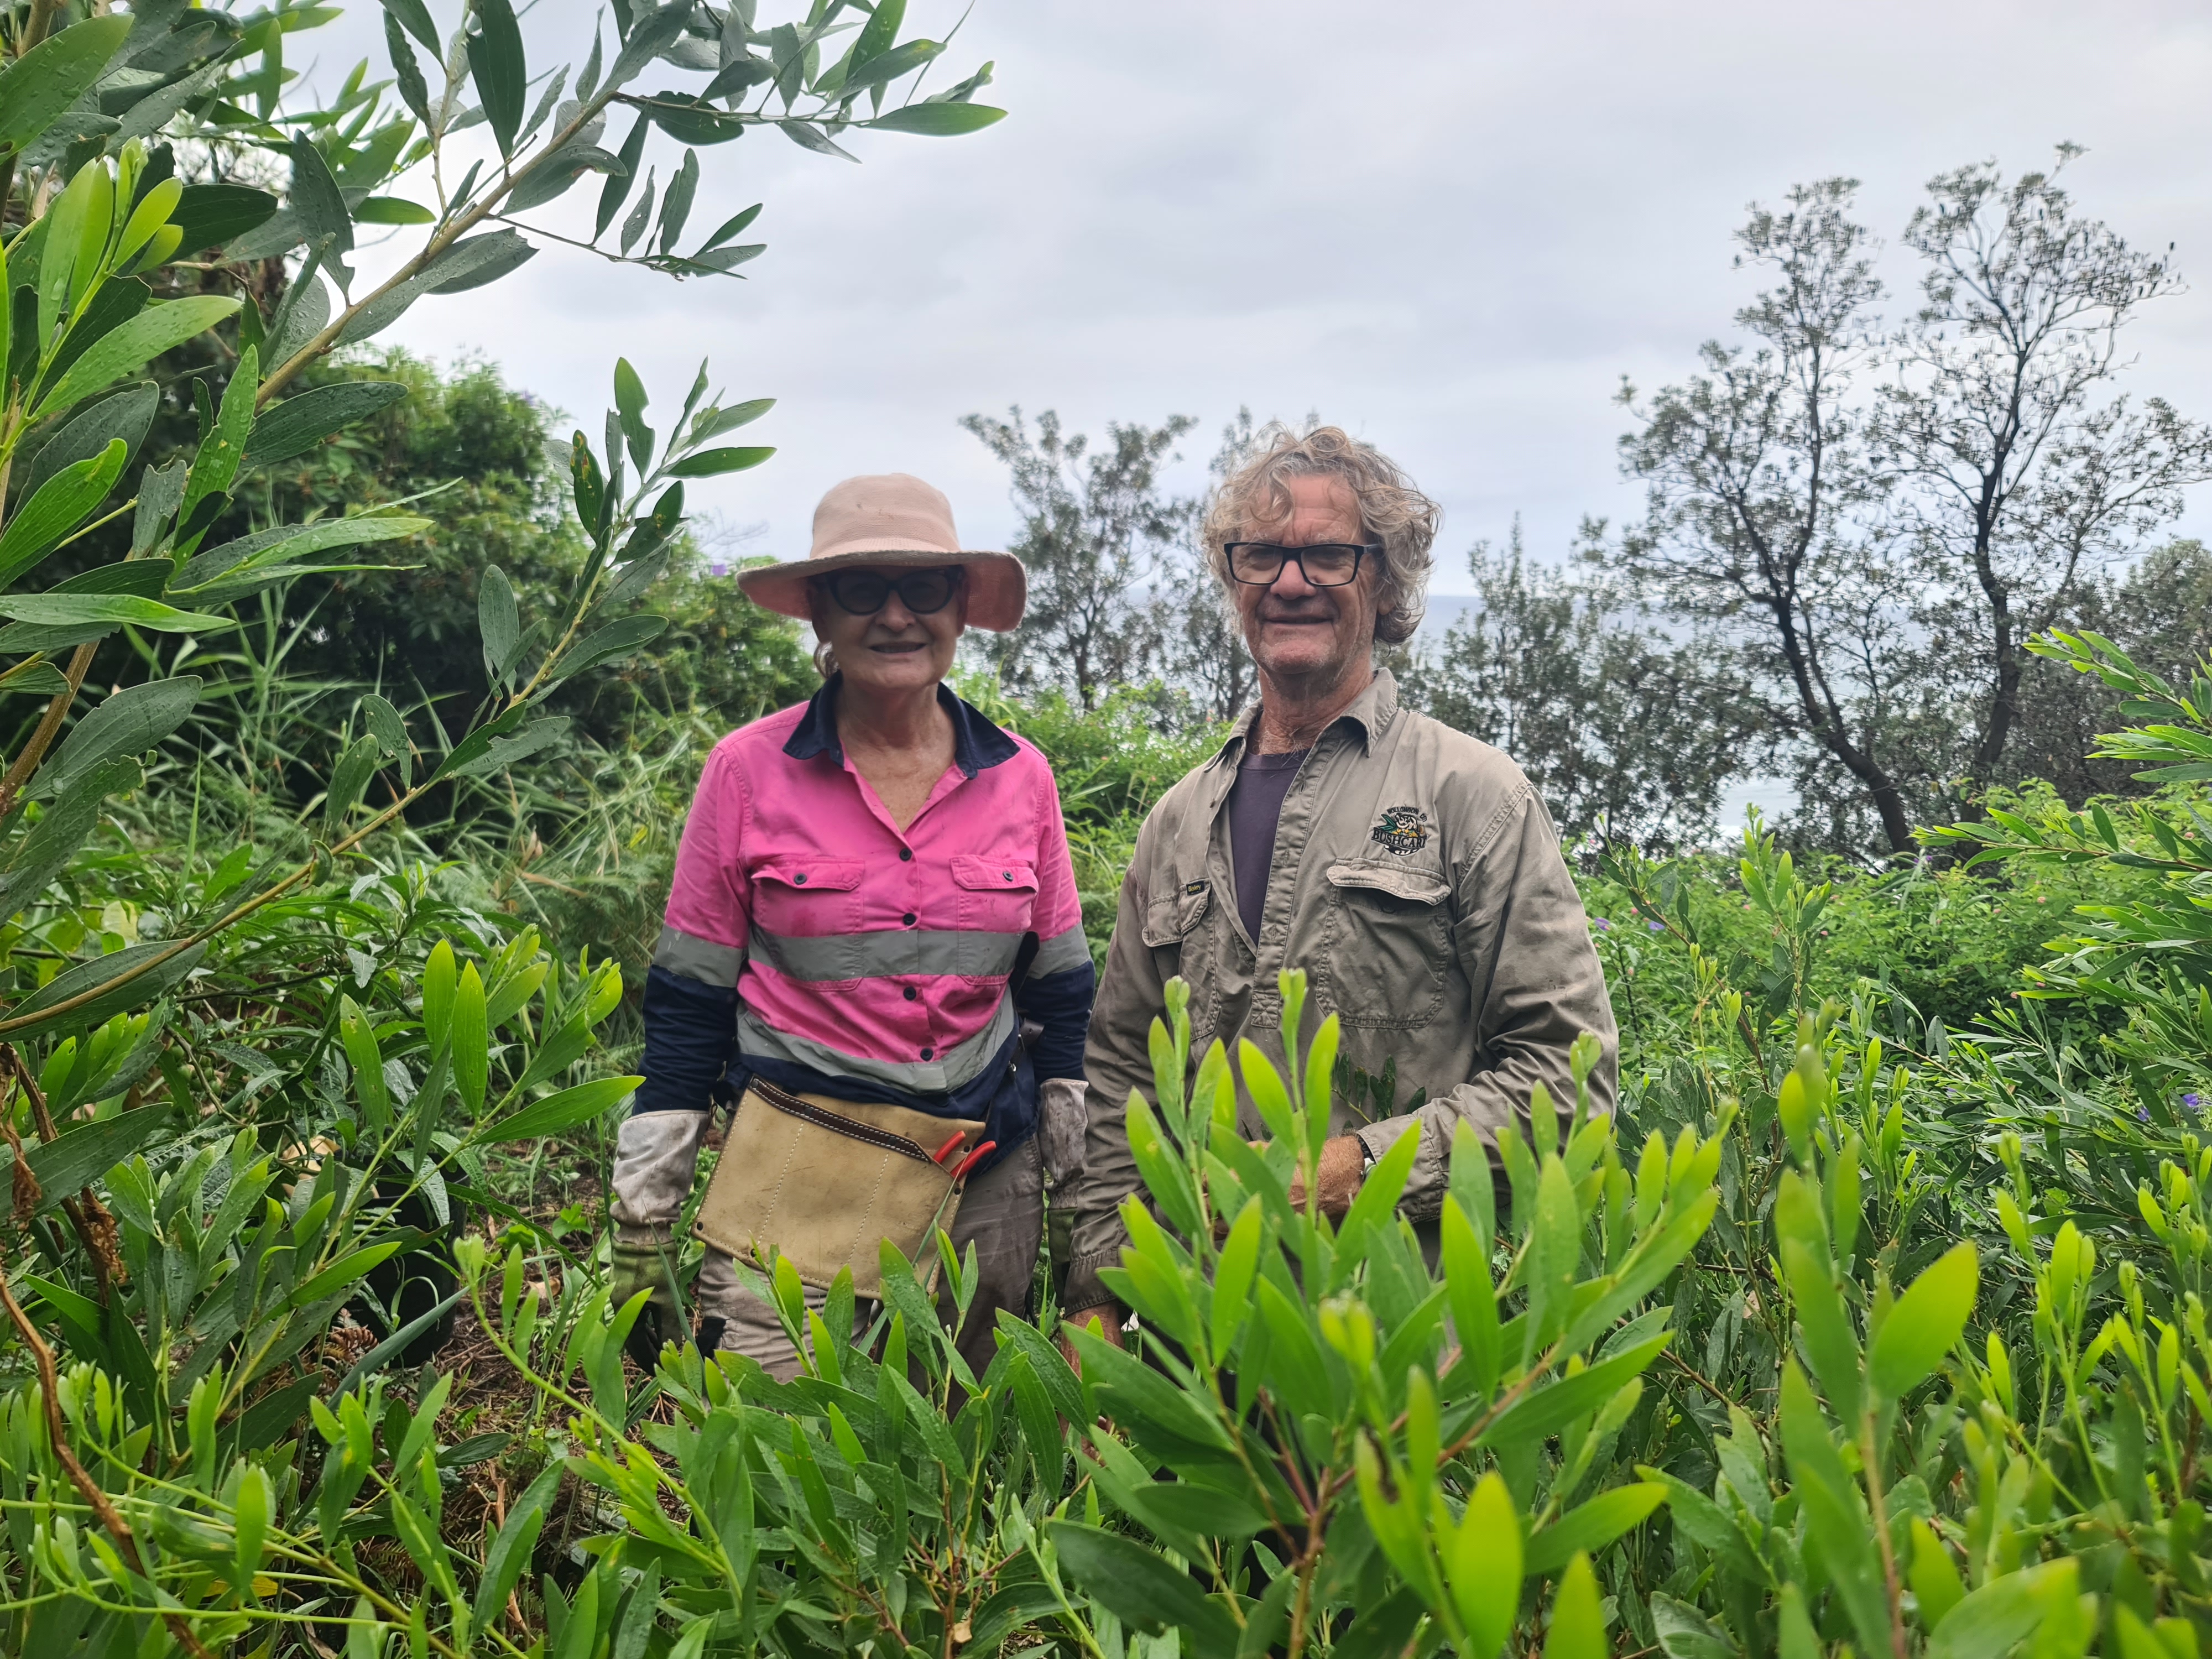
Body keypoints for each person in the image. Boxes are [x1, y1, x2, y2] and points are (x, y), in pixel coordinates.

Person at [1061, 426, 1618, 1345]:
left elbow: (1569, 1078)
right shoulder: (1176, 823)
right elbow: (1123, 1079)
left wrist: (1357, 1166)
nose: (1291, 582)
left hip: (1394, 1347)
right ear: (1234, 579)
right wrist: (1096, 1296)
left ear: (1386, 584)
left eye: (1328, 555)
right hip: (1188, 1355)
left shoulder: (1471, 795)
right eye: (1262, 555)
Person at [609, 473, 1094, 1379]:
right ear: (821, 614)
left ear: (961, 608)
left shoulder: (1023, 777)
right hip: (796, 1186)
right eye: (863, 590)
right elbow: (687, 1007)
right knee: (776, 1445)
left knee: (964, 1449)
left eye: (924, 588)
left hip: (983, 1189)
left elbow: (1061, 1000)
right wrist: (644, 1220)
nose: (897, 617)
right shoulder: (744, 773)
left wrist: (1078, 1204)